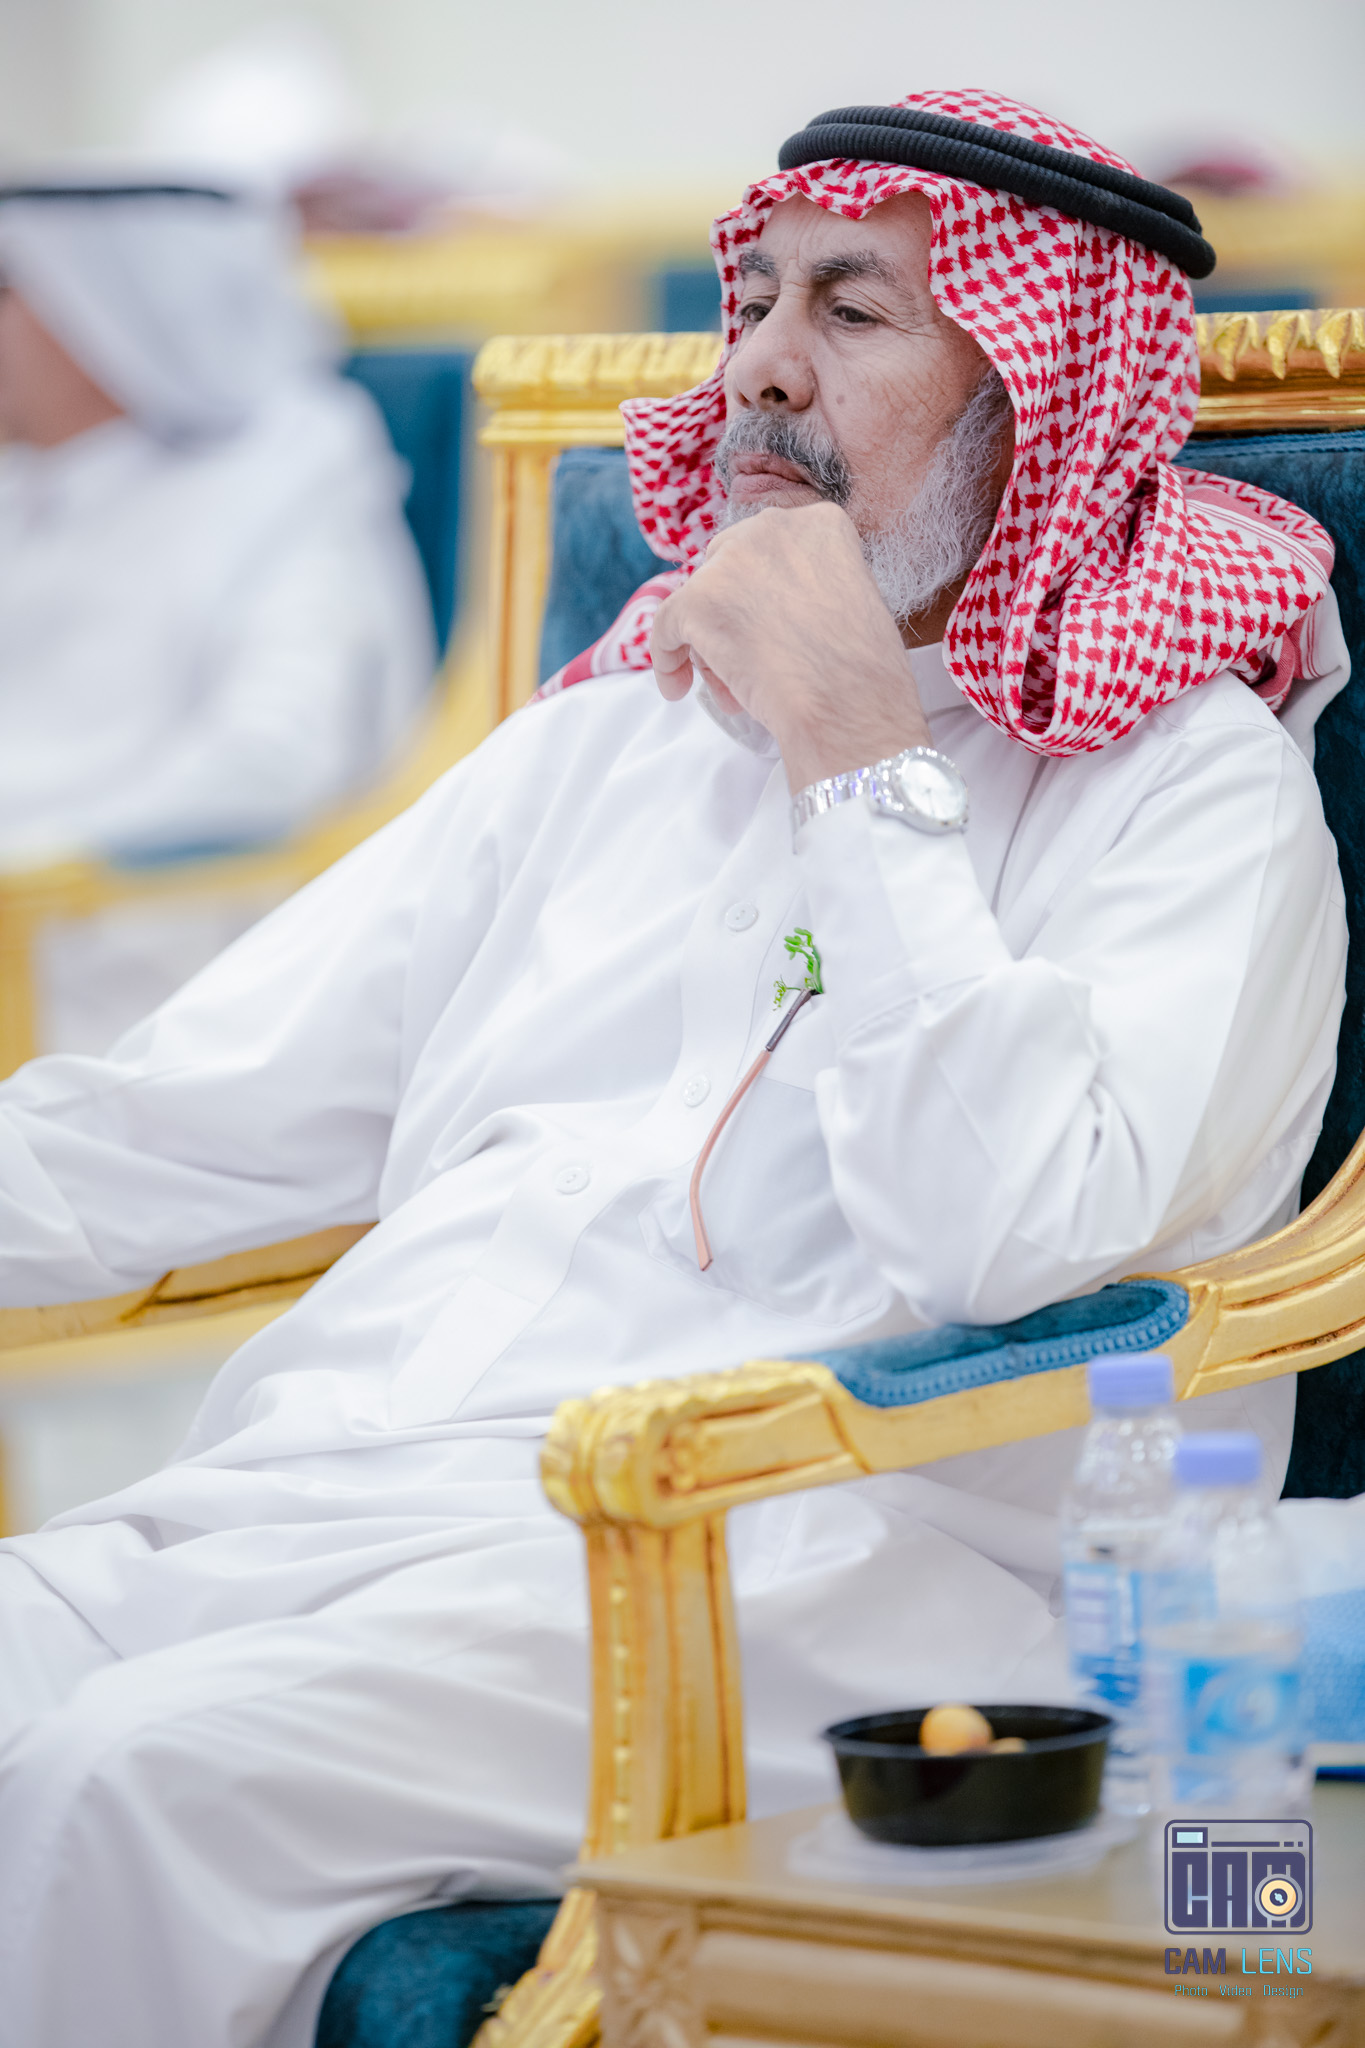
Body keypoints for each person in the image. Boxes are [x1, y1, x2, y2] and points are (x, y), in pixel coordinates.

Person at [0, 90, 1353, 2047]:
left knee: (131, 1777)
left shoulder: (1183, 796)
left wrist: (852, 751)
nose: (762, 370)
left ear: (1036, 395)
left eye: (854, 313)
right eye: (756, 302)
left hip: (797, 1565)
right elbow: (159, 1125)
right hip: (334, 1491)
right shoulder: (610, 743)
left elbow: (995, 1233)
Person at [0, 180, 435, 1045]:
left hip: (149, 949)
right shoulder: (29, 477)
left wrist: (37, 853)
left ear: (102, 301)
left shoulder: (292, 472)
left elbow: (273, 759)